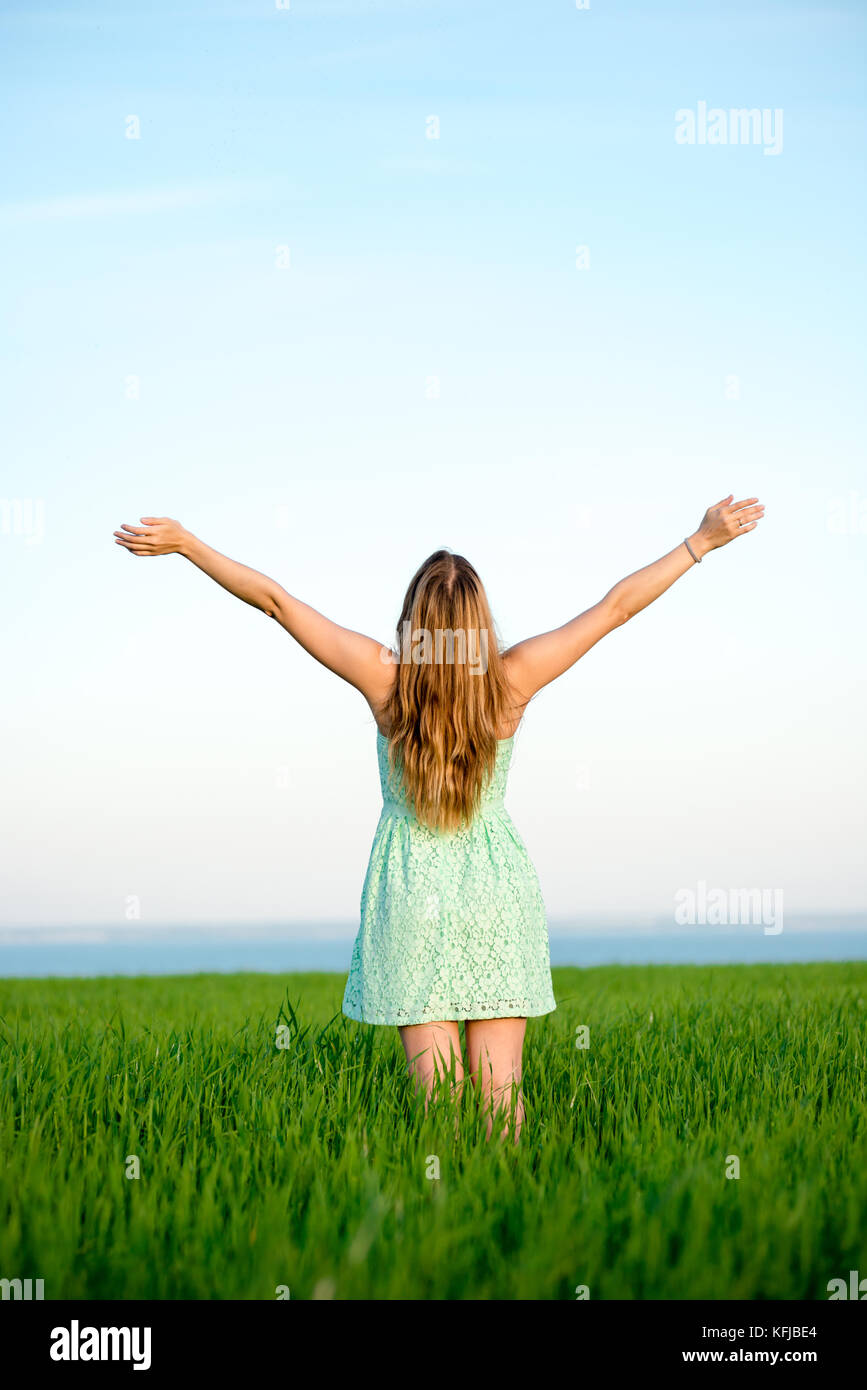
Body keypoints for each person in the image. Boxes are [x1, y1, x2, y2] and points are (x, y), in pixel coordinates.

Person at [113, 493, 764, 1140]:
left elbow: (277, 603)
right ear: (479, 620)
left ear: (412, 620)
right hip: (494, 895)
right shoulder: (512, 679)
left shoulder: (384, 679)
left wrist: (189, 545)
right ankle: (506, 1220)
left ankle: (441, 1217)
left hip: (410, 895)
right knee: (500, 1103)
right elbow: (615, 609)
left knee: (438, 1114)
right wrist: (697, 543)